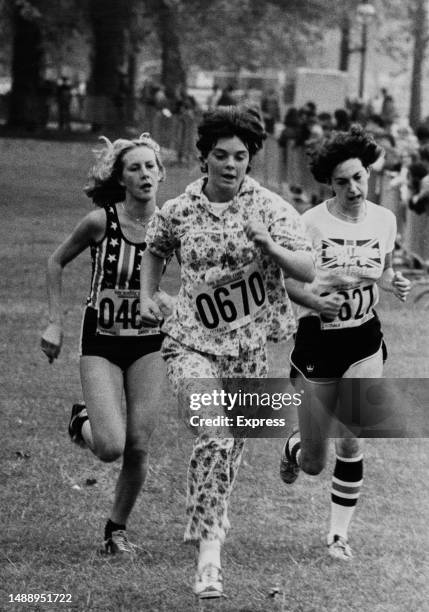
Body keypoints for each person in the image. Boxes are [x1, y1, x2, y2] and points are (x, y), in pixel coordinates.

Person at [139, 105, 315, 598]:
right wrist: (148, 297)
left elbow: (305, 269)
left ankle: (208, 528)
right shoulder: (179, 209)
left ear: (250, 160)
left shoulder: (272, 209)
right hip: (189, 342)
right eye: (221, 155)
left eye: (240, 156)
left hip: (247, 352)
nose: (231, 165)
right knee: (214, 433)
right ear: (204, 158)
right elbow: (156, 247)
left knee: (227, 452)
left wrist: (271, 248)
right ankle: (209, 558)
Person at [279, 125, 411, 560]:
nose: (353, 188)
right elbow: (290, 283)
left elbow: (385, 269)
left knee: (352, 438)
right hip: (318, 343)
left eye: (358, 177)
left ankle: (338, 536)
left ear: (368, 173)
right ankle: (295, 445)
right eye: (342, 181)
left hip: (363, 339)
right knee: (314, 463)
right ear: (329, 184)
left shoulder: (384, 219)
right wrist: (319, 292)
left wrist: (395, 282)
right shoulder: (310, 223)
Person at [41, 133, 170, 555]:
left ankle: (115, 532)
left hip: (149, 342)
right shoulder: (101, 221)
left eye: (150, 166)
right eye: (135, 167)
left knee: (138, 446)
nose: (144, 174)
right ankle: (82, 422)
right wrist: (54, 323)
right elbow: (56, 261)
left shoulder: (171, 225)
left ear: (160, 173)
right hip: (102, 340)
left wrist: (173, 301)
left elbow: (200, 276)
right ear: (122, 178)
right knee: (111, 447)